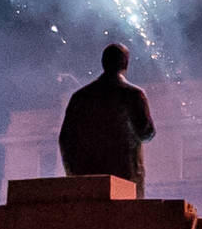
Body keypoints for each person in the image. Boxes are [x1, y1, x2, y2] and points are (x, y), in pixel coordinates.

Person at [59, 41, 156, 185]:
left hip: (89, 177)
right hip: (126, 177)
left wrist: (73, 174)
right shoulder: (133, 95)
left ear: (103, 63)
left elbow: (65, 139)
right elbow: (146, 133)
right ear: (125, 64)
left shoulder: (80, 97)